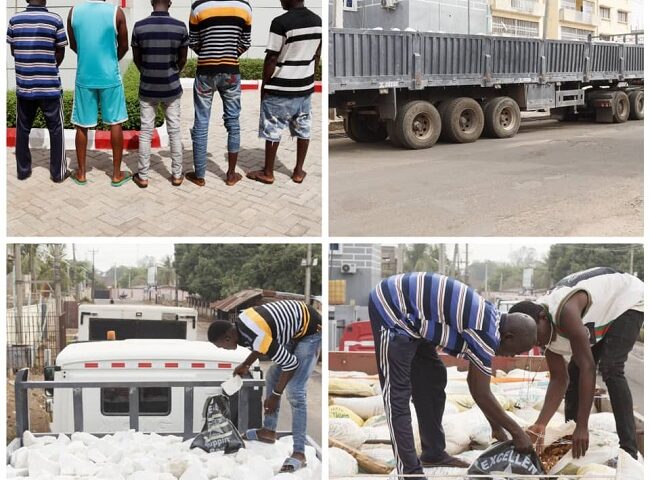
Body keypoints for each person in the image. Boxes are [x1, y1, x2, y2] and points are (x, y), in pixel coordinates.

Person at [369, 272, 537, 479]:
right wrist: (518, 433)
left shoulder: (492, 320)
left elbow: (475, 385)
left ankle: (433, 453)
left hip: (416, 319)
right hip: (392, 306)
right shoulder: (486, 332)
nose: (512, 356)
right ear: (509, 336)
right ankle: (410, 472)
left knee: (433, 378)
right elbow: (480, 391)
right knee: (397, 395)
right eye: (516, 350)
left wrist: (496, 427)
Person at [509, 267, 644, 460]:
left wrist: (583, 425)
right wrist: (541, 424)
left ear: (542, 319)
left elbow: (588, 368)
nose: (539, 343)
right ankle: (570, 439)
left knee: (611, 368)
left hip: (627, 299)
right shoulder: (537, 329)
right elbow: (559, 379)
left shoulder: (565, 312)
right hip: (602, 312)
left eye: (537, 337)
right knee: (573, 374)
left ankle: (628, 450)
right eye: (534, 342)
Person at [208, 300, 321, 473]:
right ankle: (268, 431)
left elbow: (291, 364)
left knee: (295, 392)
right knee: (272, 374)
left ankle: (299, 452)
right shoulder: (241, 325)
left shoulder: (255, 335)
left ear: (228, 337)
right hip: (294, 329)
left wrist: (275, 396)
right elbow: (262, 344)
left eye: (221, 345)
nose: (222, 349)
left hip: (311, 332)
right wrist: (246, 364)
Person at [247, 0, 321, 185]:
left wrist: (264, 86)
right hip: (304, 87)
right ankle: (298, 172)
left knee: (273, 129)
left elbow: (272, 57)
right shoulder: (317, 21)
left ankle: (268, 172)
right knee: (303, 128)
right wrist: (309, 76)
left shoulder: (280, 22)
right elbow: (316, 54)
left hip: (280, 87)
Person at [186, 0, 253, 187]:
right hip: (231, 72)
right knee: (233, 121)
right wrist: (229, 55)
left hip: (205, 72)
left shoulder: (198, 6)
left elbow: (194, 41)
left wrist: (209, 53)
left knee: (201, 121)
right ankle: (231, 175)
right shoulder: (244, 7)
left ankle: (199, 175)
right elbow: (246, 42)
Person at [67, 0, 130, 187]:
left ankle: (82, 173)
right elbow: (124, 46)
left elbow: (73, 45)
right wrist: (110, 60)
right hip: (110, 76)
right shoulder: (116, 12)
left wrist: (88, 57)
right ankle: (116, 174)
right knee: (115, 122)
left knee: (81, 124)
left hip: (85, 75)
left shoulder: (74, 12)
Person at [7, 0, 70, 183]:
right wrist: (48, 67)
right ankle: (58, 174)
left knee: (23, 129)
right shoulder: (54, 19)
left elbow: (14, 50)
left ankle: (23, 171)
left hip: (25, 85)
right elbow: (60, 51)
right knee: (56, 129)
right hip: (49, 86)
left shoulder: (14, 20)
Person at [131, 0, 189, 188]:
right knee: (174, 131)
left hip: (148, 88)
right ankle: (177, 175)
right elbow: (183, 59)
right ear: (170, 3)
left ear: (152, 2)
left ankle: (143, 176)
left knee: (146, 132)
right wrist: (172, 73)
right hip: (172, 88)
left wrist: (148, 73)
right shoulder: (180, 27)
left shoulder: (139, 27)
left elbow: (137, 59)